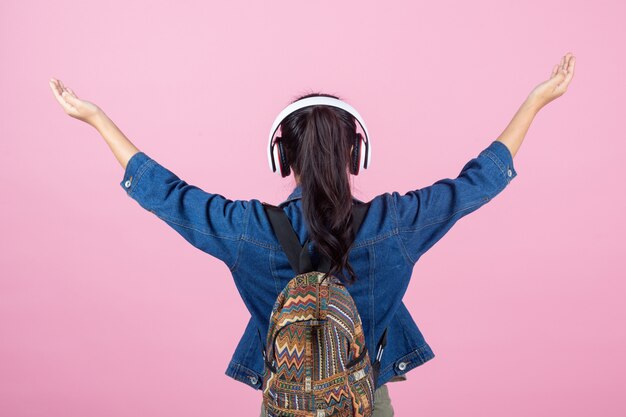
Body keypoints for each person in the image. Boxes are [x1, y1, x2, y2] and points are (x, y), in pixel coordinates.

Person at [49, 52, 575, 416]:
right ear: (356, 153)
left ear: (283, 157)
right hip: (366, 399)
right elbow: (475, 184)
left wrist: (98, 120)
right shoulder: (396, 223)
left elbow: (169, 194)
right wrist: (535, 102)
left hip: (286, 403)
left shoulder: (246, 229)